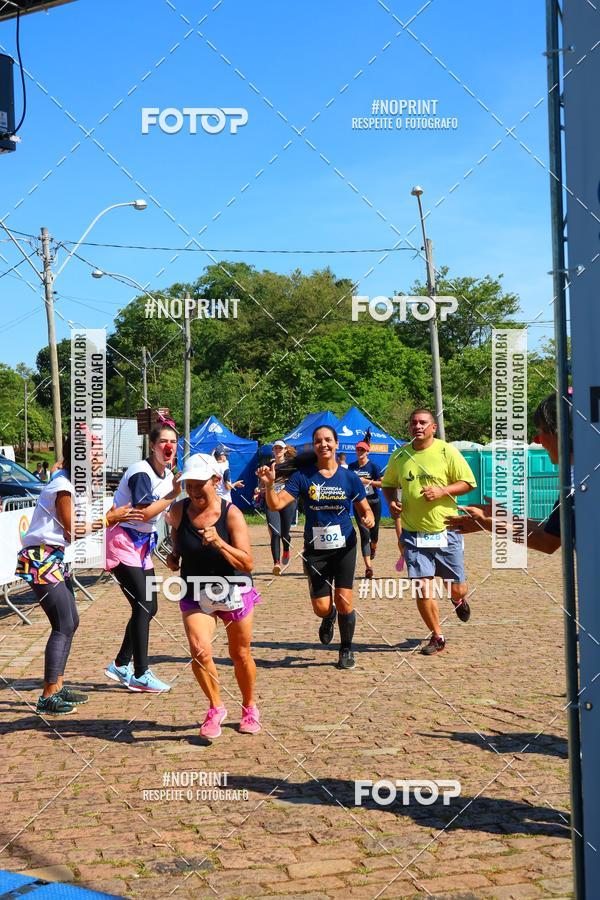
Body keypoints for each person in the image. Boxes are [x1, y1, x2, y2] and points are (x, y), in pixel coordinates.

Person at [15, 435, 143, 715]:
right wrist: (109, 519)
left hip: (52, 558)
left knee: (71, 621)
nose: (101, 458)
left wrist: (108, 516)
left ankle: (58, 686)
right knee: (62, 624)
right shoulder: (62, 486)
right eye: (96, 453)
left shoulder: (69, 482)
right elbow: (72, 530)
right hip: (40, 559)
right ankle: (48, 695)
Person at [258, 425, 374, 670]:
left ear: (336, 443)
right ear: (314, 445)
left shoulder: (349, 477)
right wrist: (269, 485)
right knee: (322, 608)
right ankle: (329, 617)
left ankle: (346, 649)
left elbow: (365, 509)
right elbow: (276, 504)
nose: (324, 444)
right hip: (315, 550)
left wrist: (369, 518)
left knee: (345, 601)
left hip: (344, 546)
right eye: (319, 441)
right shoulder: (303, 476)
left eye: (328, 440)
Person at [166, 453, 261, 738]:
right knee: (199, 650)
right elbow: (177, 535)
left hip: (233, 589)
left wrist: (219, 542)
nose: (194, 491)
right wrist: (175, 555)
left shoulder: (232, 514)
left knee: (240, 654)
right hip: (195, 588)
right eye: (189, 485)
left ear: (216, 480)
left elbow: (247, 563)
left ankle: (249, 706)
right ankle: (216, 707)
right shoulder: (179, 510)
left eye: (199, 485)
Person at [382, 408, 477, 656]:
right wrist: (392, 501)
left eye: (423, 422)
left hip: (446, 530)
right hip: (414, 534)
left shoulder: (447, 451)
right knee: (422, 588)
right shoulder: (400, 455)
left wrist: (442, 491)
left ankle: (457, 600)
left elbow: (468, 483)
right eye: (414, 422)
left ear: (433, 427)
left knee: (457, 588)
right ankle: (437, 636)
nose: (418, 426)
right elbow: (388, 484)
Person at [104, 423, 181, 693]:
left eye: (173, 442)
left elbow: (169, 516)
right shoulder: (141, 472)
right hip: (122, 540)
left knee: (150, 606)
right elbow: (144, 512)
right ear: (152, 445)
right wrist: (173, 494)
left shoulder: (168, 475)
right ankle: (140, 673)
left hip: (142, 546)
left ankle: (120, 664)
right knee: (144, 604)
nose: (168, 446)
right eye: (163, 442)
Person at [446, 393, 571, 552]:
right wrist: (503, 516)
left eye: (540, 432)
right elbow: (550, 530)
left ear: (557, 433)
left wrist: (486, 522)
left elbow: (547, 542)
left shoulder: (575, 486)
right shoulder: (577, 478)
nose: (537, 441)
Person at [349, 439, 383, 579]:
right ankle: (368, 567)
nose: (360, 452)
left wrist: (366, 481)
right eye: (358, 449)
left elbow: (382, 484)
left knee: (374, 533)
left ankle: (373, 546)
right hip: (359, 504)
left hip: (373, 502)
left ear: (368, 452)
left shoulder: (373, 467)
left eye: (362, 450)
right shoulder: (351, 467)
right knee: (364, 534)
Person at [264, 440, 297, 575]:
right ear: (273, 450)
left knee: (284, 534)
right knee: (275, 533)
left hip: (287, 501)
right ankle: (276, 563)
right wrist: (258, 489)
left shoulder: (291, 466)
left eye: (280, 448)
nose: (277, 450)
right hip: (271, 502)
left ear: (285, 450)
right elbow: (262, 483)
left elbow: (297, 483)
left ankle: (286, 549)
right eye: (275, 448)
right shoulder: (268, 466)